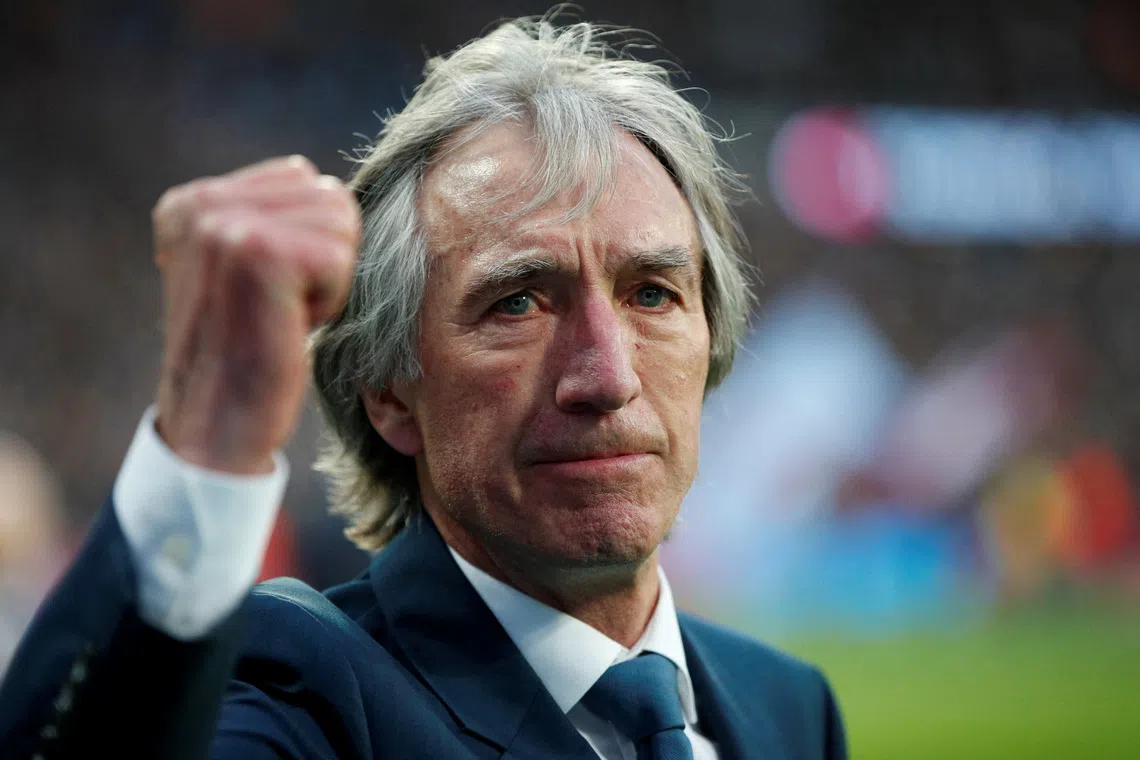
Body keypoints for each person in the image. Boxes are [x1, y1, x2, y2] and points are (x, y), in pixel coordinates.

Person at [0, 15, 846, 760]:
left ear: (712, 339)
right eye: (517, 300)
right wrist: (206, 448)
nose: (609, 375)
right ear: (389, 392)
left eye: (653, 294)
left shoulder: (787, 708)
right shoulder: (295, 687)